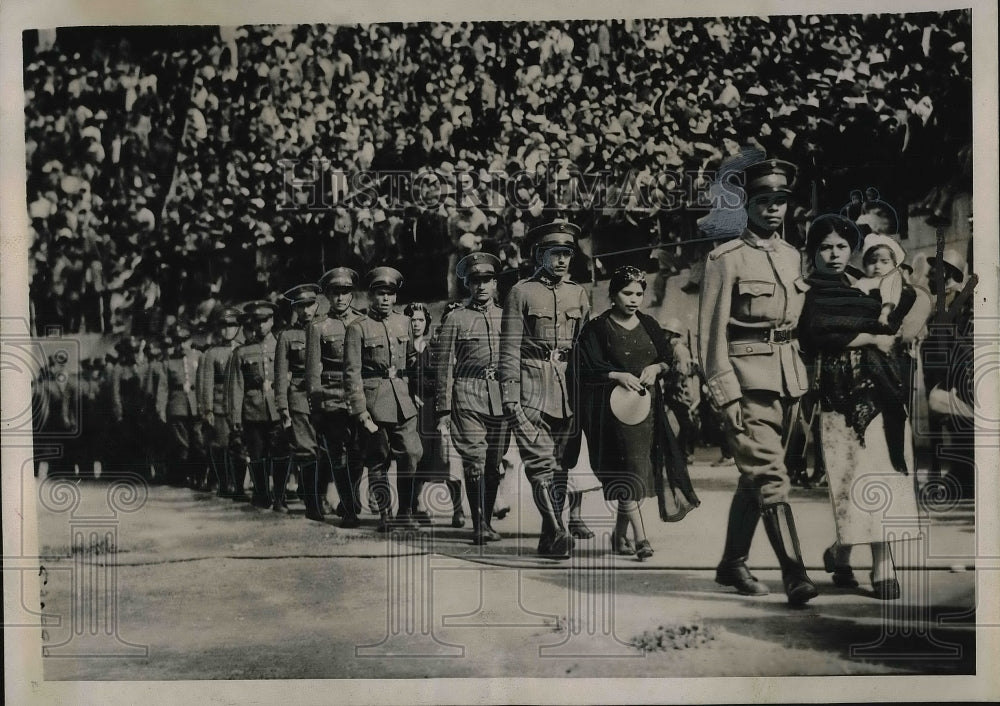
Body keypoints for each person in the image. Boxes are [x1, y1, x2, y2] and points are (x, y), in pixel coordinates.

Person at [697, 158, 817, 605]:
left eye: (780, 202)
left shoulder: (791, 256)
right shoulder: (725, 260)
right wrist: (724, 393)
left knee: (753, 480)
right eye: (763, 202)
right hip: (747, 382)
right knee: (770, 477)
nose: (773, 210)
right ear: (746, 206)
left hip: (790, 382)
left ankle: (732, 563)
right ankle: (796, 574)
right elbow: (710, 334)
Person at [798, 215, 921, 599]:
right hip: (837, 397)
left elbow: (902, 308)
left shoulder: (867, 284)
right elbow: (816, 331)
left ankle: (880, 565)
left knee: (884, 475)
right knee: (851, 481)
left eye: (841, 247)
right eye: (825, 247)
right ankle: (842, 550)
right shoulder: (806, 290)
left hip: (882, 390)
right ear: (813, 252)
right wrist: (869, 335)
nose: (834, 254)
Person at [572, 266, 700, 560]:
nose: (633, 299)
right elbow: (587, 367)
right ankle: (641, 538)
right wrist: (616, 374)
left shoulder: (650, 324)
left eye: (639, 294)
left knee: (637, 472)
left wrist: (656, 368)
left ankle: (619, 536)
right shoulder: (598, 328)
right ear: (613, 294)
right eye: (626, 293)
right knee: (626, 471)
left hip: (647, 411)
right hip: (612, 412)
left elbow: (666, 360)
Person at [499, 221, 591, 558]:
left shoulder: (578, 293)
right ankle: (558, 530)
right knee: (539, 463)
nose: (563, 260)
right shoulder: (521, 292)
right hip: (530, 386)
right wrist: (510, 395)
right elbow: (508, 348)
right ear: (539, 255)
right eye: (556, 254)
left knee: (561, 465)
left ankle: (546, 536)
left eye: (567, 254)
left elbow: (583, 346)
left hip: (567, 389)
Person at [435, 252, 511, 544]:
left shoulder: (507, 317)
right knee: (475, 461)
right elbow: (444, 367)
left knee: (494, 462)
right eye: (476, 281)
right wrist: (443, 409)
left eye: (487, 280)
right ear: (468, 285)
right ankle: (478, 524)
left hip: (499, 397)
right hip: (467, 394)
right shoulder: (455, 318)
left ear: (495, 284)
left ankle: (487, 521)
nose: (481, 286)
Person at [344, 266, 424, 532]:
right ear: (370, 297)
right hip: (374, 402)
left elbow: (412, 360)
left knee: (411, 453)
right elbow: (352, 372)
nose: (386, 299)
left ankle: (406, 511)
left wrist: (417, 392)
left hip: (403, 400)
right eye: (380, 294)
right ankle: (385, 514)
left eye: (390, 294)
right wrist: (360, 410)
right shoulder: (358, 328)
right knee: (377, 458)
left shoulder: (404, 322)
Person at [305, 267, 366, 526]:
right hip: (331, 397)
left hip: (358, 395)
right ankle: (350, 508)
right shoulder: (318, 326)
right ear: (328, 296)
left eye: (345, 292)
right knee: (338, 454)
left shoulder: (363, 321)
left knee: (358, 452)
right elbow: (312, 371)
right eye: (335, 293)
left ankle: (349, 497)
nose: (341, 298)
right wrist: (316, 406)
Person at [405, 301, 465, 528]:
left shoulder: (436, 346)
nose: (416, 324)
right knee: (416, 458)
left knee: (446, 459)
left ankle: (457, 509)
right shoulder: (403, 348)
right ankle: (415, 506)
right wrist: (410, 395)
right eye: (412, 320)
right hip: (413, 409)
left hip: (436, 407)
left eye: (420, 320)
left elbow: (445, 376)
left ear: (427, 322)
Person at [227, 300, 284, 509]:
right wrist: (235, 417)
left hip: (278, 409)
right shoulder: (241, 352)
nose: (261, 326)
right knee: (258, 455)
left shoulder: (281, 345)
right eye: (256, 322)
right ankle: (261, 493)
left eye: (265, 321)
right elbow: (237, 387)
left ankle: (279, 496)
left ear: (272, 321)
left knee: (279, 454)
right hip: (253, 410)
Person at [274, 284, 322, 515]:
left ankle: (319, 493)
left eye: (310, 305)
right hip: (299, 396)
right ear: (294, 308)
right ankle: (313, 505)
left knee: (330, 448)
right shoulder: (287, 336)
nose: (306, 311)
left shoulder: (326, 327)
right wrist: (282, 405)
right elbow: (281, 373)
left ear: (317, 305)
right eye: (300, 306)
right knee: (306, 449)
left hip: (326, 394)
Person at [197, 306, 243, 497]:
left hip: (240, 406)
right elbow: (206, 383)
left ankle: (239, 485)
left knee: (240, 446)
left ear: (238, 327)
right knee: (220, 446)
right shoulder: (211, 354)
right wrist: (207, 410)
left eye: (232, 326)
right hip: (219, 406)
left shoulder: (243, 349)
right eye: (223, 326)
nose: (227, 330)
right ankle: (224, 483)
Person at [159, 322, 205, 488]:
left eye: (184, 341)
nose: (181, 345)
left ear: (190, 340)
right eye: (177, 341)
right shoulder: (168, 362)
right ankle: (184, 476)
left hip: (196, 404)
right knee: (182, 445)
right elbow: (163, 388)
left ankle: (199, 476)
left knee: (199, 443)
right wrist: (161, 408)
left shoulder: (199, 357)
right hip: (177, 406)